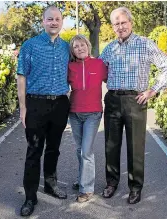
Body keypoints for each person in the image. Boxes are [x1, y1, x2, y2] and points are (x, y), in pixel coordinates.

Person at [99, 7, 167, 204]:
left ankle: (135, 187)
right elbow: (99, 71)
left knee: (135, 147)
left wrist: (152, 90)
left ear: (131, 23)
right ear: (113, 27)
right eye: (116, 24)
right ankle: (111, 183)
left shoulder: (145, 44)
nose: (120, 26)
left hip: (136, 100)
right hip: (113, 100)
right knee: (111, 145)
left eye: (123, 22)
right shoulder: (109, 48)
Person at [16, 6, 70, 217]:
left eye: (57, 19)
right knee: (34, 150)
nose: (54, 22)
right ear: (43, 21)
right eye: (50, 19)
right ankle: (30, 197)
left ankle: (50, 184)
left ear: (61, 22)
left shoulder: (67, 47)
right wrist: (23, 108)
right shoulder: (30, 46)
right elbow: (21, 76)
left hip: (59, 105)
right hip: (36, 104)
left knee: (53, 149)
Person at [68, 35, 107, 203]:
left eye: (82, 45)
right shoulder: (69, 66)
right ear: (73, 51)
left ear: (88, 46)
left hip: (93, 113)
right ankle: (82, 178)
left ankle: (87, 189)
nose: (80, 48)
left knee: (86, 151)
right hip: (74, 113)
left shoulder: (99, 64)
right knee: (79, 150)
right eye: (76, 46)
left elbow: (112, 80)